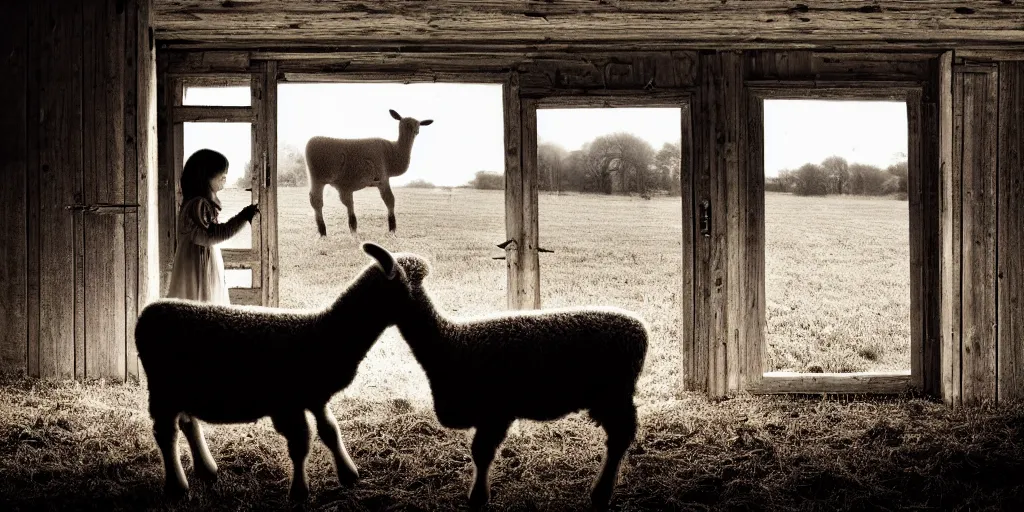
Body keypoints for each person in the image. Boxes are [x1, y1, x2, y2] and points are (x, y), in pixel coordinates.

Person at [165, 149, 259, 305]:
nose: (224, 180)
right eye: (222, 176)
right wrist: (243, 217)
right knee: (202, 306)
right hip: (198, 268)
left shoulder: (194, 202)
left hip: (196, 263)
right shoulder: (198, 204)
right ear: (205, 177)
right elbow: (211, 236)